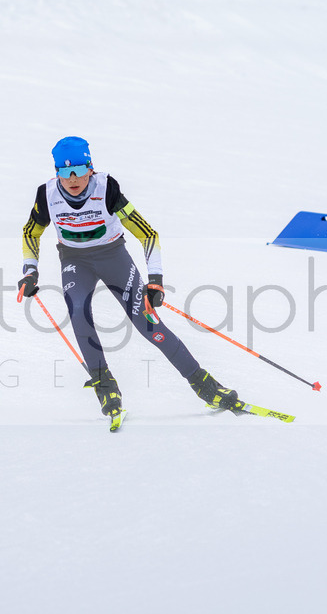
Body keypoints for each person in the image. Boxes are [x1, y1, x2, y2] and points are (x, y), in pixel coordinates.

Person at [17, 136, 241, 419]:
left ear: (90, 167)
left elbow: (148, 234)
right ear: (56, 172)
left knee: (147, 323)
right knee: (77, 311)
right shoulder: (46, 195)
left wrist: (155, 280)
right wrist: (30, 271)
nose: (72, 178)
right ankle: (105, 385)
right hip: (75, 262)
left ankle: (204, 385)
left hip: (114, 259)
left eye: (78, 170)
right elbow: (30, 232)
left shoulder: (107, 188)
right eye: (64, 171)